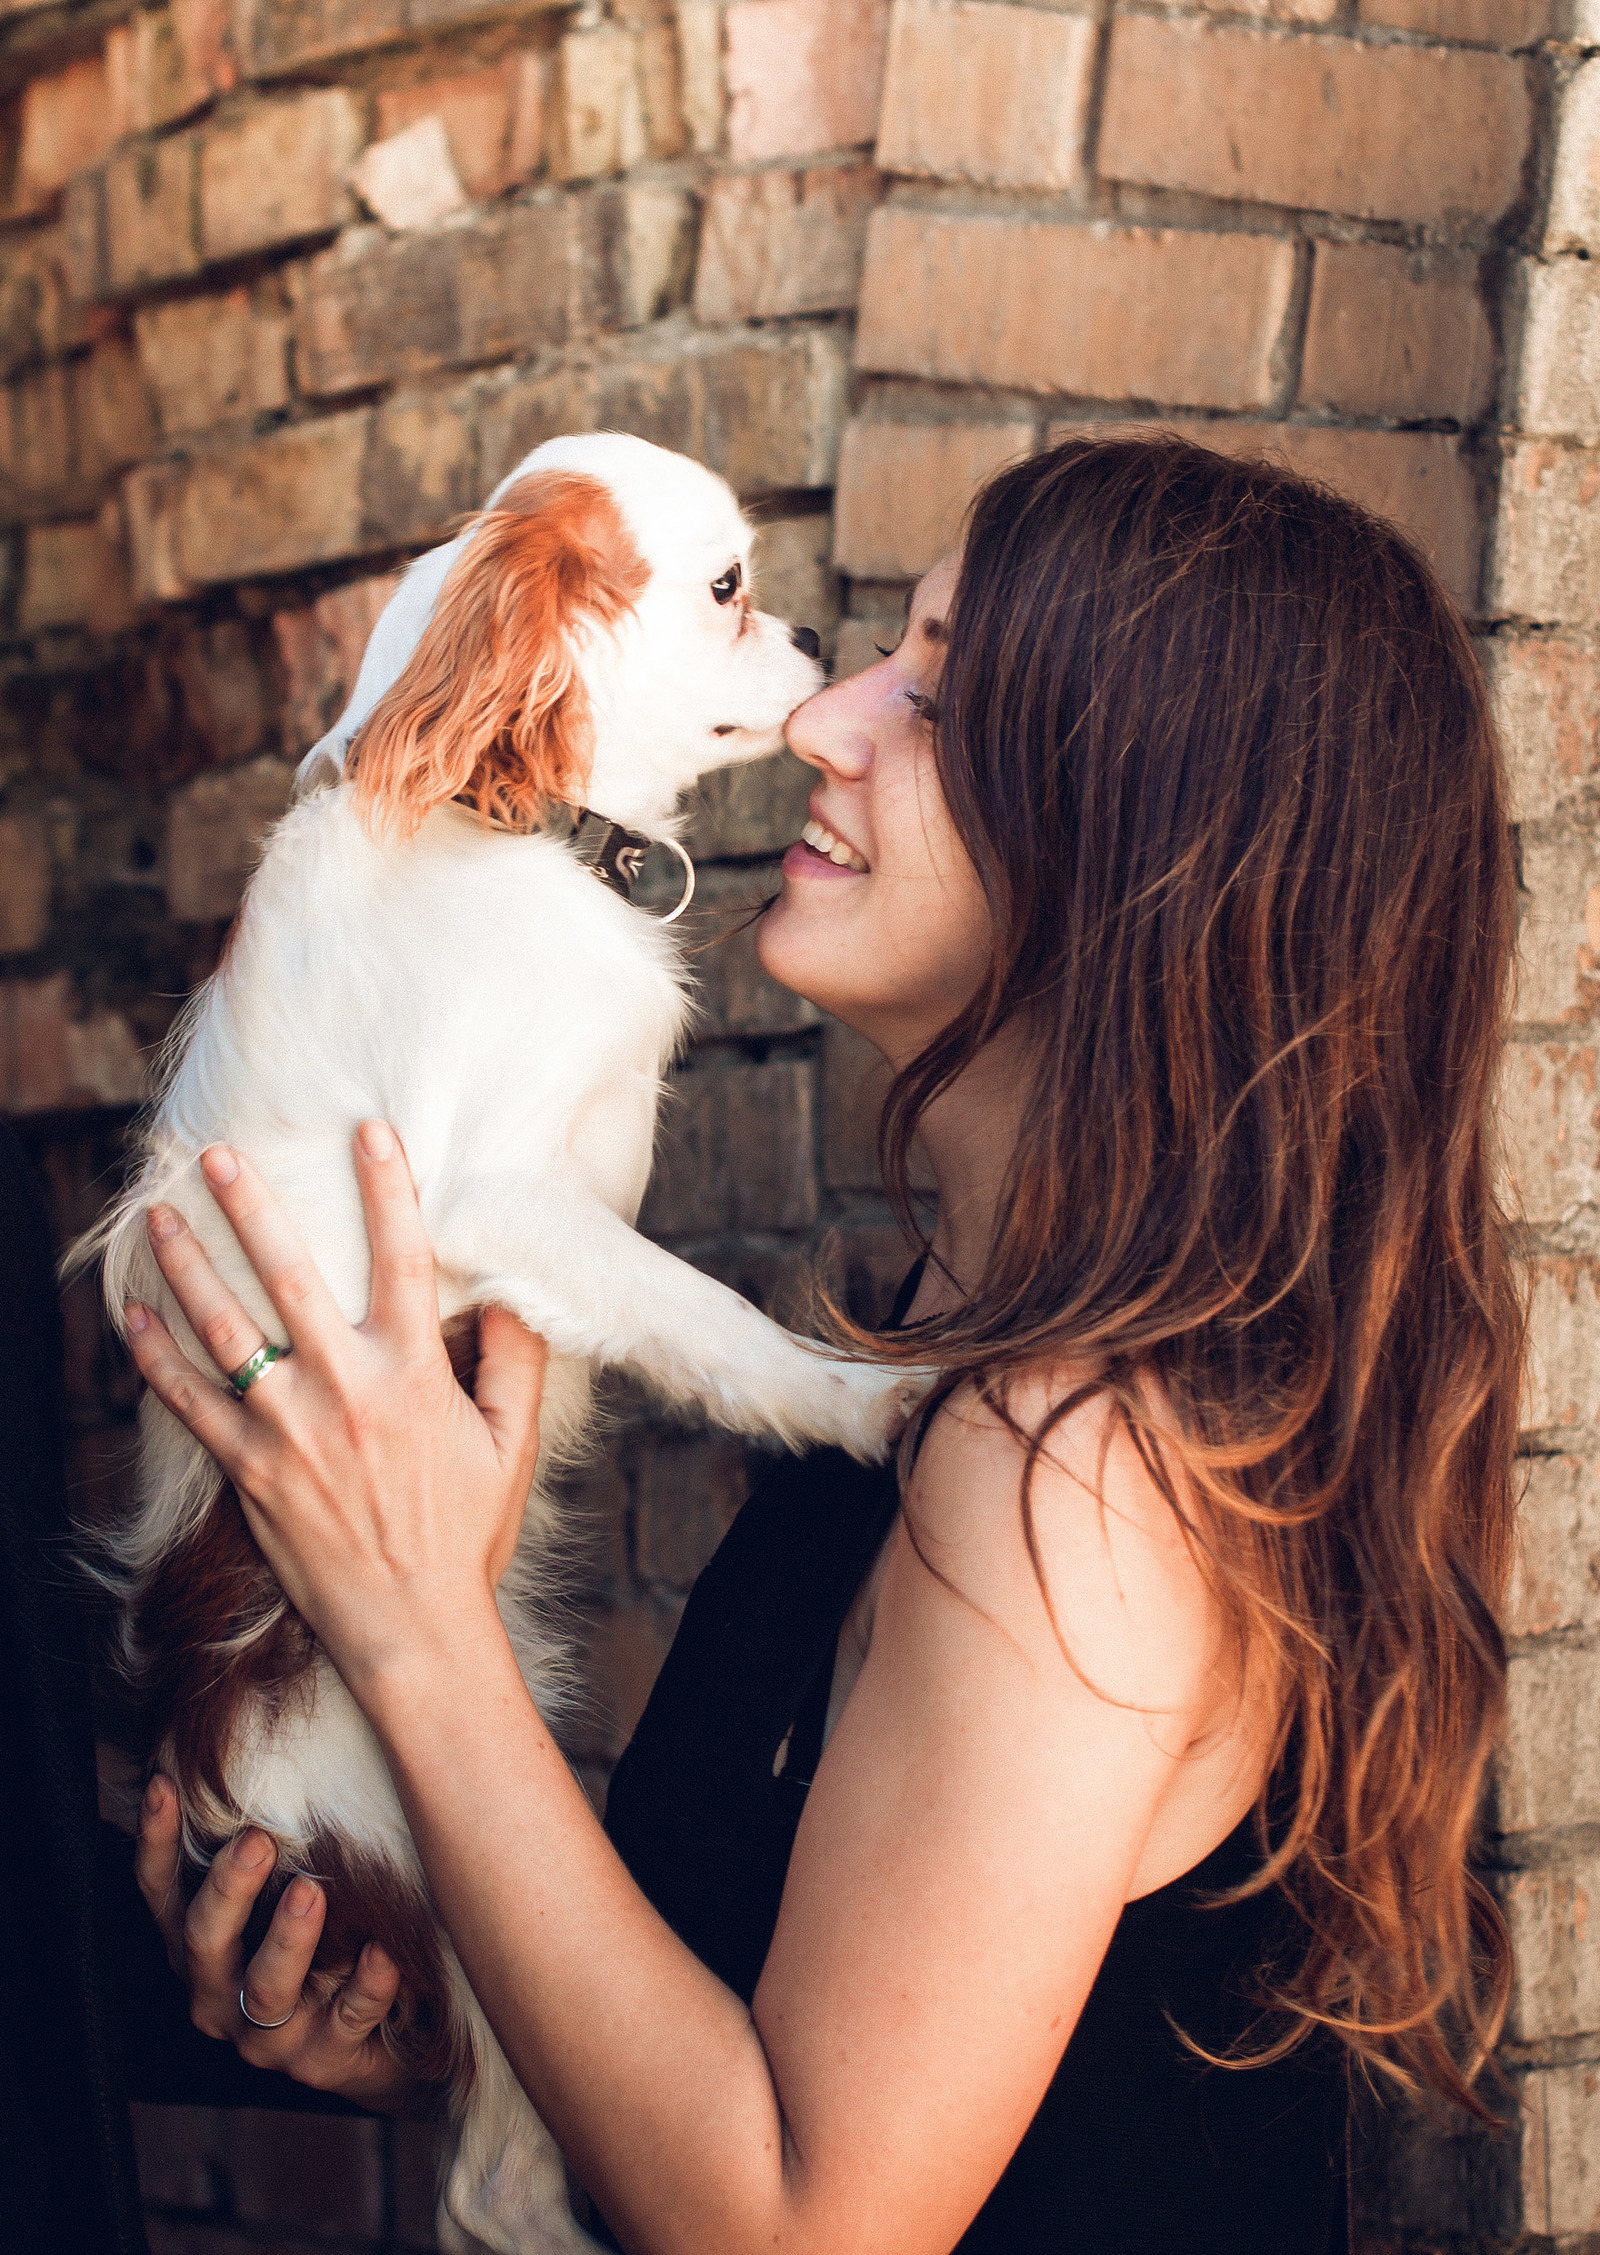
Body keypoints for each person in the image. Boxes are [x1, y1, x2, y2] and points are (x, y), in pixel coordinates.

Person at [116, 435, 1522, 2254]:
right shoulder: (951, 1343)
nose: (824, 720)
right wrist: (452, 2033)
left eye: (936, 699)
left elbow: (799, 2231)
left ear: (1137, 856)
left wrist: (413, 1629)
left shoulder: (1075, 1467)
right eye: (883, 660)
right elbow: (750, 2047)